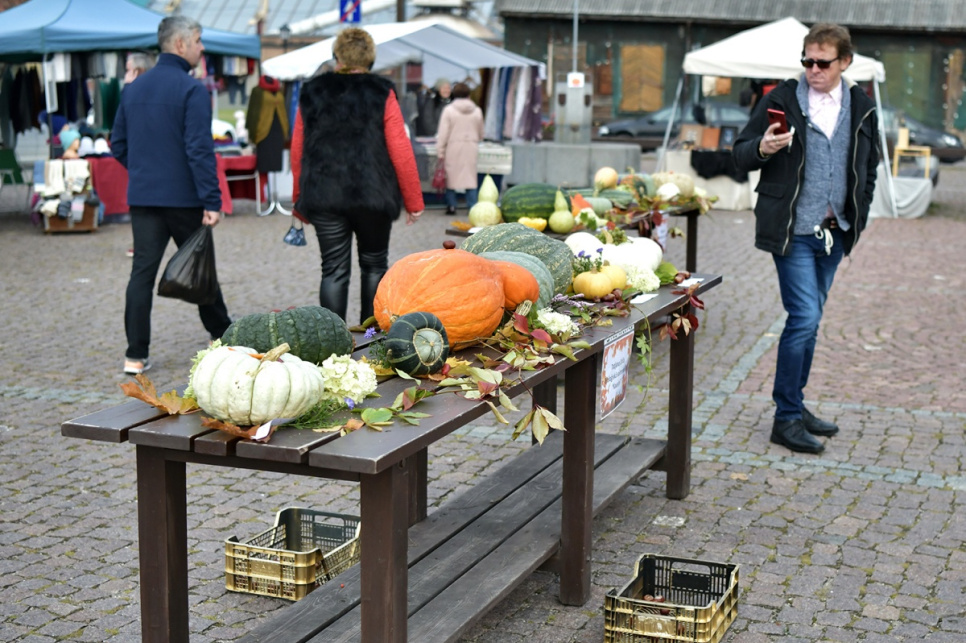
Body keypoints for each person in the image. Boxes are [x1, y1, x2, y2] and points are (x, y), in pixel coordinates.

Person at [732, 23, 879, 454]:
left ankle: (795, 405)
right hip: (792, 231)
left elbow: (869, 168)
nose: (813, 69)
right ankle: (786, 418)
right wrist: (764, 148)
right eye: (807, 61)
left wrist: (860, 214)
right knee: (804, 318)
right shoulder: (780, 99)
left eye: (822, 63)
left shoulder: (862, 105)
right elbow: (739, 154)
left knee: (810, 323)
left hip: (835, 233)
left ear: (845, 62)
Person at [111, 15, 232, 375]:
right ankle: (222, 335)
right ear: (181, 44)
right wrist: (212, 200)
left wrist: (144, 170)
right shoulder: (191, 89)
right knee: (201, 266)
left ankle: (135, 354)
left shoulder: (133, 89)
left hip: (145, 197)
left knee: (141, 275)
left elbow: (118, 144)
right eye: (198, 40)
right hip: (184, 197)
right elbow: (199, 150)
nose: (202, 47)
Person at [290, 27, 424, 325]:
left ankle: (334, 340)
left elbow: (298, 149)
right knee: (374, 266)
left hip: (324, 194)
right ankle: (370, 339)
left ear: (337, 56)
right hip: (373, 193)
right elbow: (400, 148)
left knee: (333, 270)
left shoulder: (312, 91)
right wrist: (413, 200)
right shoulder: (382, 91)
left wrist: (298, 199)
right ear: (370, 58)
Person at [436, 82, 484, 215]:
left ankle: (451, 206)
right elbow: (481, 133)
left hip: (453, 147)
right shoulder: (477, 110)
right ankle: (472, 206)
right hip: (471, 147)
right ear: (468, 94)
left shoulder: (449, 110)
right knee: (470, 177)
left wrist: (440, 151)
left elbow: (443, 133)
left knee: (451, 177)